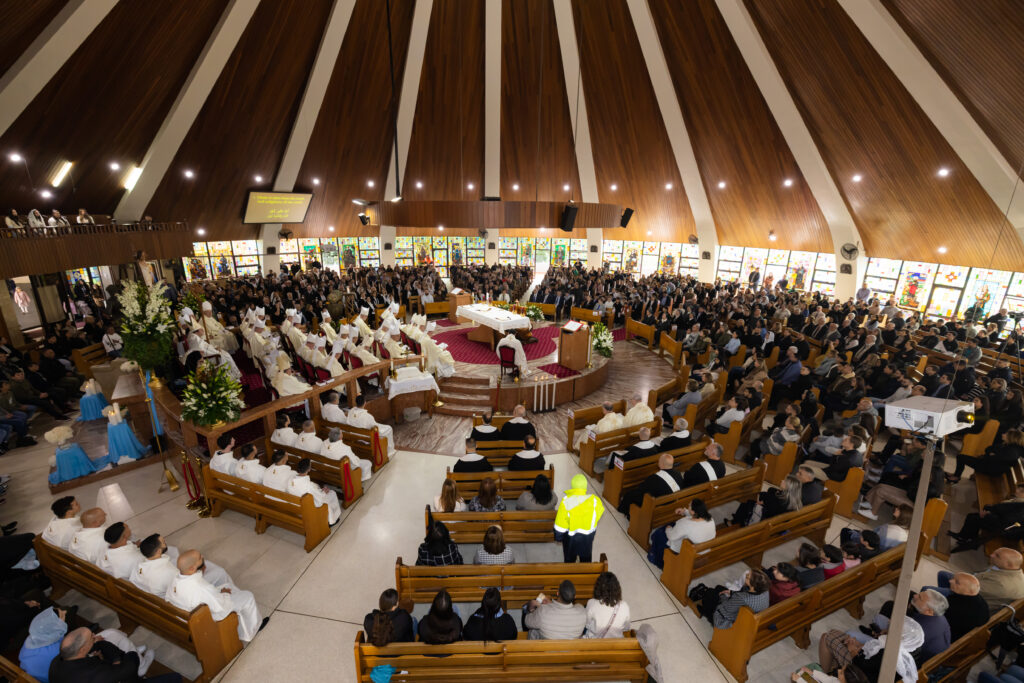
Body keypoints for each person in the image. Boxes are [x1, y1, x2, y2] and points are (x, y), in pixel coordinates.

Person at [165, 549, 267, 642]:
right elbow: (220, 606)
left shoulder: (175, 580)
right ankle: (252, 631)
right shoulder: (201, 587)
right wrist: (225, 594)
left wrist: (218, 592)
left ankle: (242, 621)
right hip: (205, 618)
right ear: (192, 568)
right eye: (200, 558)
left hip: (188, 614)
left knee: (226, 585)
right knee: (248, 597)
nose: (203, 557)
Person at [48, 626, 176, 683]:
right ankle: (142, 668)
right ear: (82, 649)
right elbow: (130, 665)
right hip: (120, 674)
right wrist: (122, 658)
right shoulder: (97, 675)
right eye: (91, 637)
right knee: (175, 678)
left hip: (104, 670)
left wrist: (98, 646)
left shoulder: (56, 663)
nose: (94, 636)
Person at [647, 499, 715, 569]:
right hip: (701, 550)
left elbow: (671, 536)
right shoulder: (710, 519)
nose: (688, 505)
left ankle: (656, 559)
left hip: (685, 552)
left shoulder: (686, 525)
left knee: (659, 534)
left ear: (693, 511)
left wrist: (668, 529)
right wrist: (685, 511)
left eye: (689, 505)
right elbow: (696, 516)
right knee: (672, 527)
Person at [554, 474, 605, 563]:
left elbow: (560, 527)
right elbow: (598, 514)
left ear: (573, 487)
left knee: (569, 560)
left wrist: (559, 538)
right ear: (585, 487)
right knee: (586, 558)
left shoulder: (566, 502)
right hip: (587, 539)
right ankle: (585, 573)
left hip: (570, 540)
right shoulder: (595, 501)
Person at [617, 452, 686, 516]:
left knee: (630, 495)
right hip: (672, 503)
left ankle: (623, 511)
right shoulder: (678, 474)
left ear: (661, 464)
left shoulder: (655, 478)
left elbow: (642, 490)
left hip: (657, 506)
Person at [947, 429, 1024, 484]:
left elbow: (993, 458)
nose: (1003, 434)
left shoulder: (1012, 451)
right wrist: (991, 454)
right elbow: (988, 448)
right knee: (962, 457)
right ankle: (956, 476)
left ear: (1011, 438)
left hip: (990, 469)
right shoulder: (1008, 445)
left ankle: (956, 477)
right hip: (988, 464)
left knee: (961, 457)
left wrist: (991, 454)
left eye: (1006, 434)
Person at [522, 579, 586, 639]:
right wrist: (551, 604)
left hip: (546, 649)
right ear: (575, 597)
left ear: (557, 593)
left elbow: (527, 622)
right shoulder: (581, 611)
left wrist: (531, 607)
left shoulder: (543, 611)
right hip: (571, 649)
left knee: (533, 628)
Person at [287, 458, 342, 525]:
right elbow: (320, 498)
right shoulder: (308, 485)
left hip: (297, 505)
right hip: (310, 507)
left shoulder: (291, 479)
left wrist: (320, 490)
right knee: (332, 493)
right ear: (309, 469)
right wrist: (324, 491)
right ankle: (331, 520)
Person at [584, 572, 631, 638]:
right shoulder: (625, 606)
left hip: (595, 643)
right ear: (617, 588)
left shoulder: (591, 603)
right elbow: (626, 628)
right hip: (616, 644)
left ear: (598, 587)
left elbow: (587, 624)